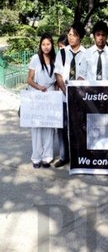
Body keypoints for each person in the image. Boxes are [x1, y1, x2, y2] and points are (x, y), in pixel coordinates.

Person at [53, 22, 86, 167]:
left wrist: (75, 93)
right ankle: (64, 156)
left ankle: (78, 156)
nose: (71, 37)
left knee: (78, 127)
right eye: (69, 34)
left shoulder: (86, 54)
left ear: (80, 37)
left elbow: (85, 75)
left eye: (74, 35)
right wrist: (67, 92)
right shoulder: (62, 53)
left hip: (79, 98)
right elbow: (58, 74)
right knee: (62, 127)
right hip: (63, 96)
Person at [27, 33, 58, 168]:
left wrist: (55, 93)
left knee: (49, 127)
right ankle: (36, 157)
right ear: (40, 45)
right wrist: (39, 87)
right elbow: (29, 79)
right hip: (37, 94)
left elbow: (57, 79)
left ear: (52, 45)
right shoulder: (35, 58)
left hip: (50, 94)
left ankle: (47, 157)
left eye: (48, 44)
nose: (46, 47)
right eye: (43, 44)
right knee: (37, 127)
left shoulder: (55, 59)